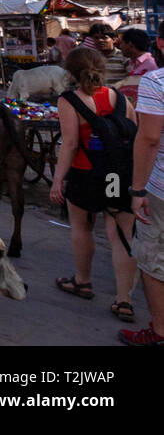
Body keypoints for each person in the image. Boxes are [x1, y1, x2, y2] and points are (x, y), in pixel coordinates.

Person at [51, 47, 138, 323]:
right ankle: (124, 300)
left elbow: (71, 144)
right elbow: (133, 138)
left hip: (86, 175)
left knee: (82, 227)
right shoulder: (120, 98)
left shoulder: (69, 100)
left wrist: (57, 181)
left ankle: (83, 281)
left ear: (71, 72)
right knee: (122, 237)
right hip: (118, 177)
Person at [124, 44, 164, 344]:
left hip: (160, 189)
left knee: (153, 258)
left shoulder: (156, 81)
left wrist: (137, 190)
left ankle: (160, 331)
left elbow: (149, 138)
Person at [119, 29, 158, 107]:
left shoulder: (152, 65)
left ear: (130, 45)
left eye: (122, 43)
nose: (120, 47)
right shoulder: (132, 63)